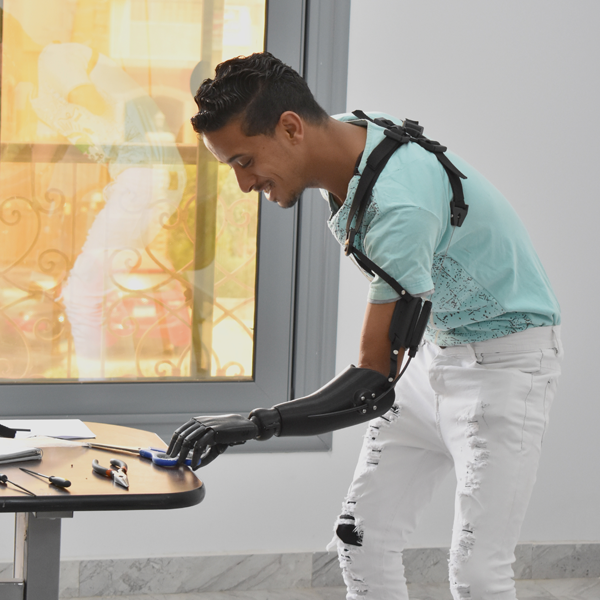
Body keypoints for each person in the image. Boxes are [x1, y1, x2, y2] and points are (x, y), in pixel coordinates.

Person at [167, 52, 562, 600]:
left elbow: (373, 382)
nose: (242, 182)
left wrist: (255, 423)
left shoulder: (398, 207)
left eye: (243, 160)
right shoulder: (352, 135)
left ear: (290, 127)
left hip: (506, 370)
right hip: (433, 358)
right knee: (359, 539)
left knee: (478, 574)